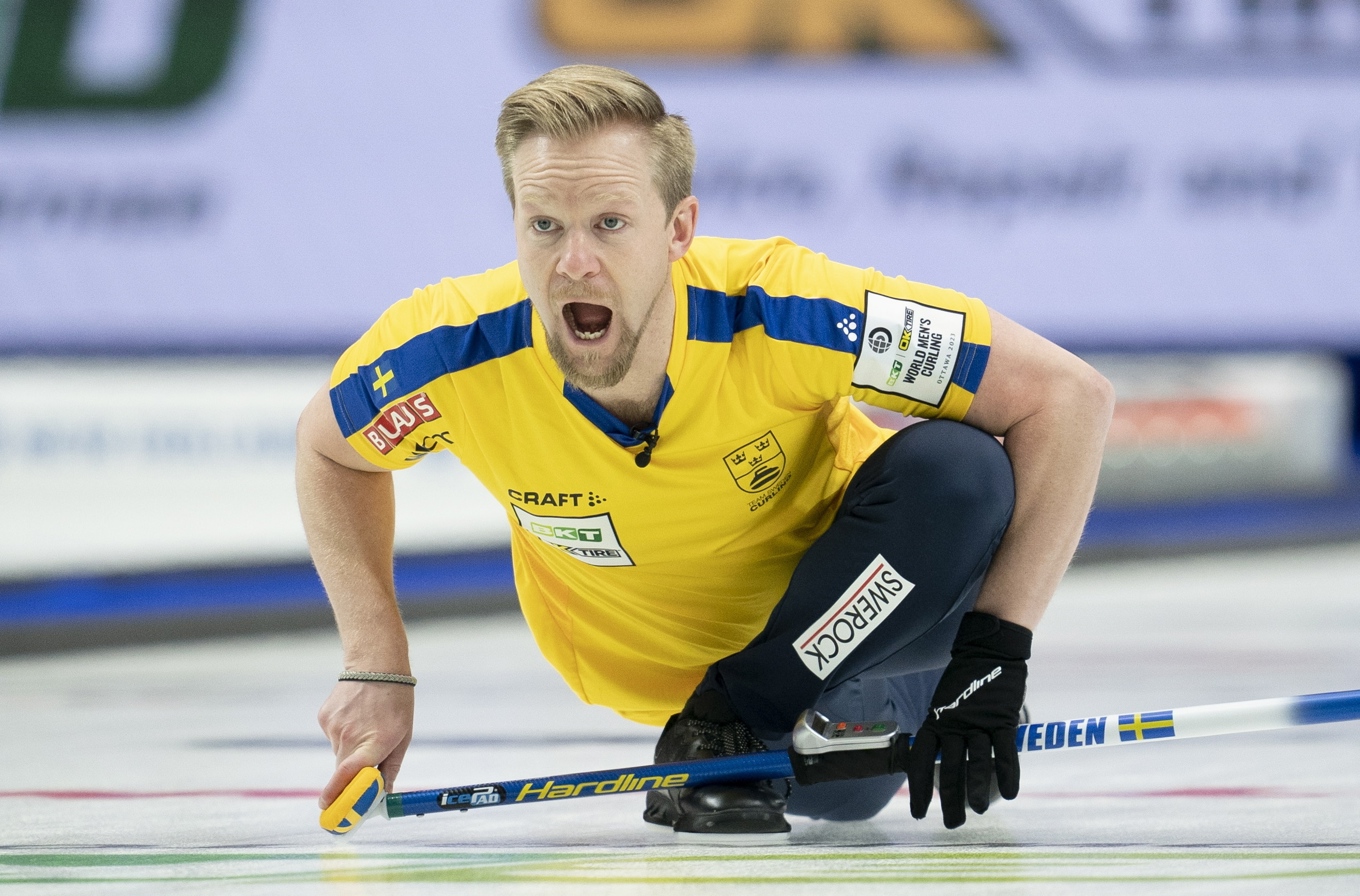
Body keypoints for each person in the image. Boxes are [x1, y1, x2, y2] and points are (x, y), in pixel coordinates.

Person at [297, 64, 1113, 836]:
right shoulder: (452, 352)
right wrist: (376, 665)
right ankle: (772, 725)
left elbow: (1068, 397)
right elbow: (330, 449)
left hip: (870, 612)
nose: (574, 264)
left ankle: (765, 712)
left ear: (679, 229)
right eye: (544, 226)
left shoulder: (788, 307)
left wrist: (997, 653)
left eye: (610, 224)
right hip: (648, 672)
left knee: (960, 473)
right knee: (850, 791)